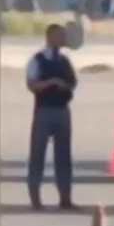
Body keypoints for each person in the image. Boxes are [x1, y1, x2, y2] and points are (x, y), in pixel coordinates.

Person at [25, 24, 80, 211]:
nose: (64, 39)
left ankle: (65, 196)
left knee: (63, 156)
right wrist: (50, 83)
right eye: (60, 35)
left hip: (62, 110)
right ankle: (35, 197)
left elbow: (73, 82)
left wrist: (65, 86)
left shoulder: (64, 61)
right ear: (50, 37)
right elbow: (32, 84)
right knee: (38, 154)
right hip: (44, 110)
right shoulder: (38, 60)